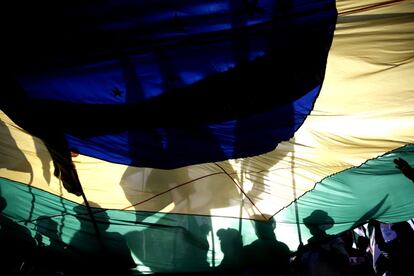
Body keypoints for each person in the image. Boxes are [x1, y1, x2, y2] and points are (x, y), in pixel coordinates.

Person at [69, 202, 136, 275]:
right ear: (91, 218)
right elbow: (128, 265)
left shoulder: (76, 241)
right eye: (103, 214)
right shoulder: (116, 238)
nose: (108, 217)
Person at [293, 210, 349, 276]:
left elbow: (344, 261)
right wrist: (299, 254)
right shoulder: (306, 248)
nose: (311, 227)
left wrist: (321, 249)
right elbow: (296, 269)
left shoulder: (334, 241)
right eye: (311, 225)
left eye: (314, 225)